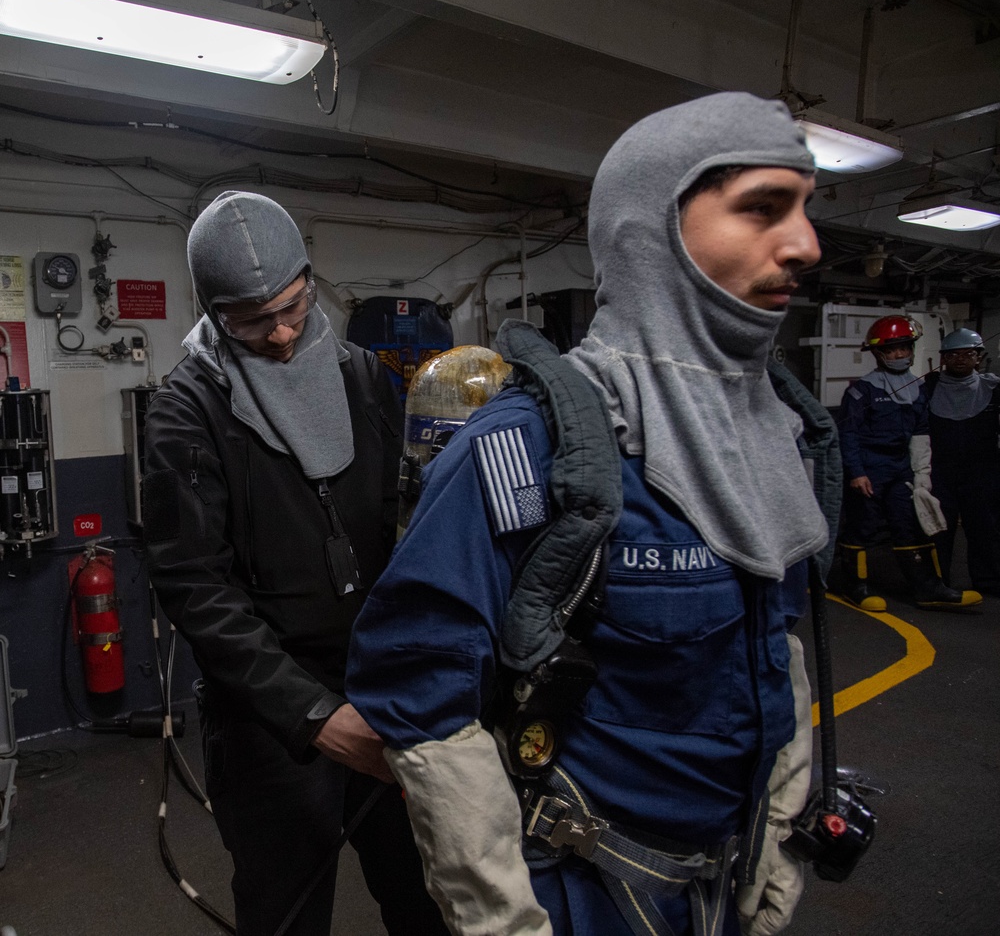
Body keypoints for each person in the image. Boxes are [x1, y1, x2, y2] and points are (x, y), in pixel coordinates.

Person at [345, 92, 843, 936]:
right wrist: (505, 922)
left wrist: (775, 839)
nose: (806, 244)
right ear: (653, 233)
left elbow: (777, 644)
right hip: (590, 895)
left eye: (803, 209)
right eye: (762, 208)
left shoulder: (775, 440)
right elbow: (417, 690)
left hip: (720, 880)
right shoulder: (531, 447)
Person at [141, 192, 446, 936]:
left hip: (381, 686)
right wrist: (311, 715)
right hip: (270, 719)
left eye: (292, 305)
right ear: (211, 309)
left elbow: (399, 527)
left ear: (311, 280)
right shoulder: (188, 411)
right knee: (288, 911)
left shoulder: (367, 378)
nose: (279, 333)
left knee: (429, 897)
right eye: (250, 319)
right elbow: (195, 586)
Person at [836, 315, 981, 611]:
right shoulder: (862, 391)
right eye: (892, 350)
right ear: (878, 354)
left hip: (901, 467)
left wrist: (922, 474)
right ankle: (856, 586)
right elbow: (847, 434)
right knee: (863, 525)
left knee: (910, 523)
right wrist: (857, 473)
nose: (899, 355)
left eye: (904, 348)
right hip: (869, 468)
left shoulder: (917, 389)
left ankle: (929, 588)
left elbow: (920, 432)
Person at [925, 328, 1000, 594]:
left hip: (983, 472)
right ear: (943, 358)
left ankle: (989, 582)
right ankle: (939, 582)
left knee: (985, 528)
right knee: (938, 528)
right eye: (953, 354)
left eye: (968, 353)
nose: (960, 359)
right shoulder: (928, 388)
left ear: (978, 357)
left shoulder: (993, 389)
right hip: (940, 472)